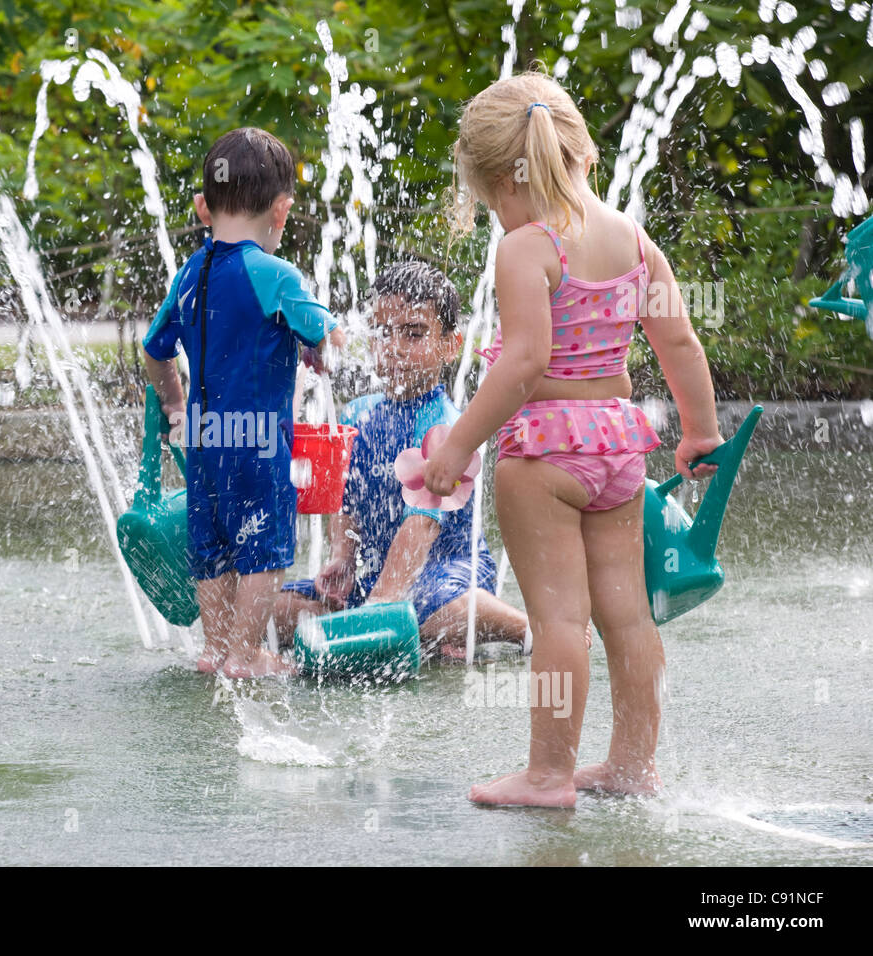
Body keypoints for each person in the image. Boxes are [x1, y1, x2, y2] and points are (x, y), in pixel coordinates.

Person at [423, 71, 723, 807]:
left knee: (559, 619)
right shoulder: (630, 238)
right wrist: (699, 432)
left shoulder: (528, 248)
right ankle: (631, 766)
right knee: (626, 613)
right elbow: (679, 341)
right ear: (580, 153)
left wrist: (457, 446)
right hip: (619, 447)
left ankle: (549, 773)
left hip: (545, 455)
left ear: (503, 181)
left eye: (491, 203)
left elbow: (525, 363)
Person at [143, 127, 338, 679]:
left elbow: (154, 352)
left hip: (206, 441)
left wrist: (177, 408)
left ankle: (215, 649)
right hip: (257, 442)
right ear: (281, 211)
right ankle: (247, 655)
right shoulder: (273, 273)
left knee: (214, 542)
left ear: (204, 207)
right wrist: (323, 350)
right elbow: (325, 333)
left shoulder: (189, 274)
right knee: (265, 545)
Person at [273, 261, 528, 659]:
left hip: (448, 572)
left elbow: (421, 527)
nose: (393, 347)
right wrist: (343, 555)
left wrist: (382, 602)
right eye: (383, 332)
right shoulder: (358, 415)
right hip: (374, 573)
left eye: (413, 334)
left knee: (435, 613)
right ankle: (394, 620)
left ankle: (526, 629)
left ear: (449, 344)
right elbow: (346, 495)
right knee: (270, 612)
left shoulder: (447, 431)